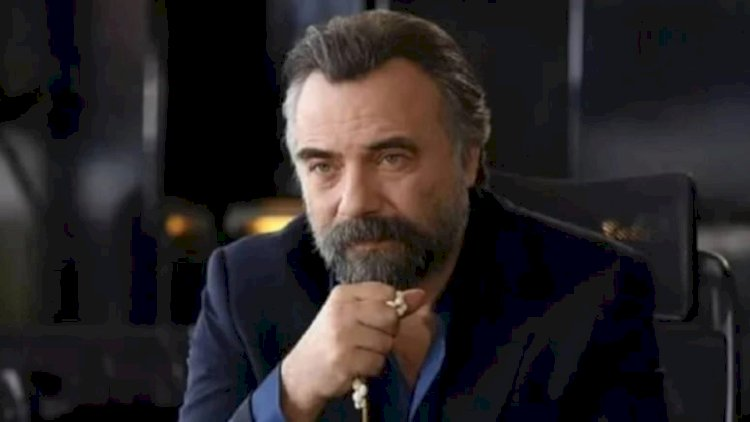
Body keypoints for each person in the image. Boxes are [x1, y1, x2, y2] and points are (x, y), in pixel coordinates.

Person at [179, 9, 667, 421]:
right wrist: (294, 390)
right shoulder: (245, 287)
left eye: (391, 159)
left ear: (468, 158)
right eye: (323, 166)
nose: (356, 202)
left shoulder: (594, 291)